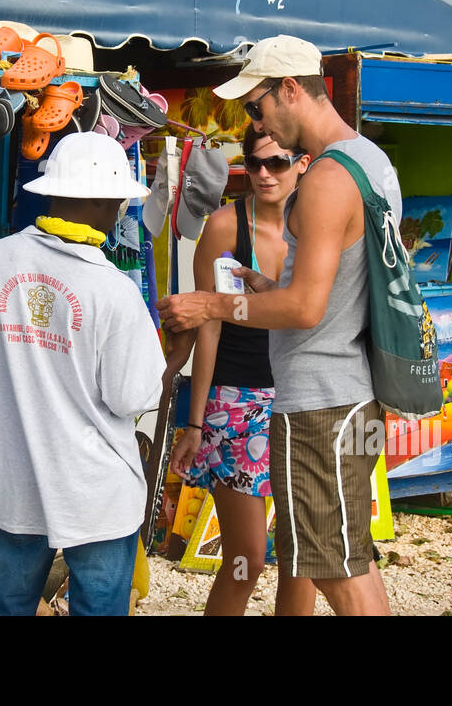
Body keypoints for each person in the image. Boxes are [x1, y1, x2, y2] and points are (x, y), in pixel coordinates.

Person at [157, 34, 401, 617]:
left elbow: (305, 311)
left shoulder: (324, 181)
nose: (254, 118)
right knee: (343, 559)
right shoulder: (372, 162)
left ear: (291, 90)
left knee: (331, 570)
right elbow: (337, 289)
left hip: (319, 402)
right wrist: (269, 290)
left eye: (256, 104)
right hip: (351, 394)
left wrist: (213, 306)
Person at [0, 131, 165, 616]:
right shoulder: (112, 290)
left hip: (19, 482)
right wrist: (177, 346)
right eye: (118, 202)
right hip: (98, 494)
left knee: (4, 604)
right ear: (102, 200)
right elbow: (131, 399)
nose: (120, 212)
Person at [167, 124, 308, 615]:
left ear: (301, 165)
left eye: (278, 163)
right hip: (237, 399)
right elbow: (208, 325)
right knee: (245, 556)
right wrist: (195, 421)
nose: (266, 174)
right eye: (255, 164)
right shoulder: (227, 227)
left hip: (302, 396)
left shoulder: (316, 226)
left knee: (302, 554)